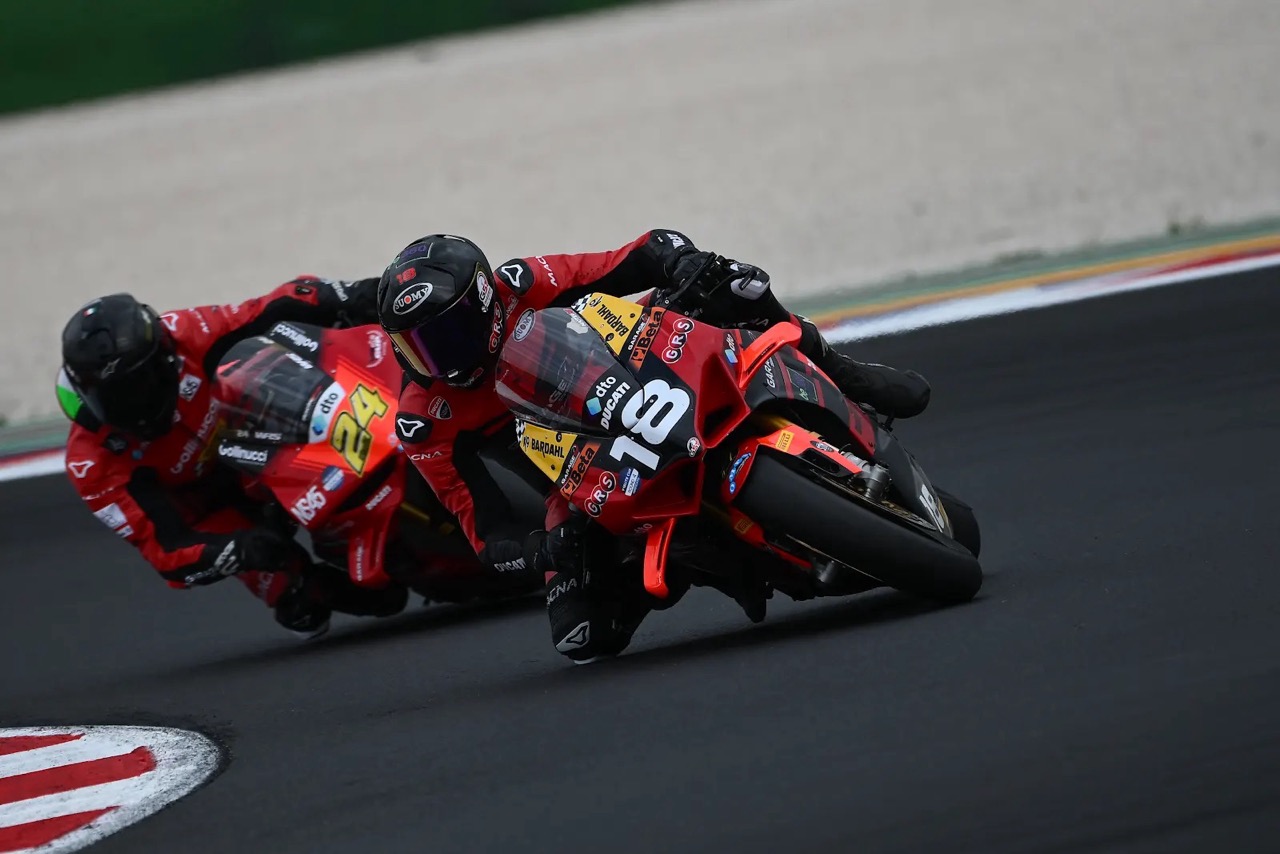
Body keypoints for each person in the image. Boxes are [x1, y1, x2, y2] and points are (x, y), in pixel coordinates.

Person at [377, 230, 931, 662]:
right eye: (414, 346)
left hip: (635, 370)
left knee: (733, 288)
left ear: (484, 301)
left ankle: (845, 374)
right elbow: (486, 533)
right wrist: (544, 551)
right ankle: (709, 558)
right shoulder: (423, 420)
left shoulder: (520, 283)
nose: (437, 359)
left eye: (445, 336)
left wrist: (682, 261)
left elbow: (634, 256)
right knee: (582, 634)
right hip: (577, 472)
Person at [57, 276, 408, 639]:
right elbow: (165, 548)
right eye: (117, 397)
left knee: (297, 347)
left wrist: (347, 295)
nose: (135, 403)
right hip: (205, 502)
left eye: (140, 384)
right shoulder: (92, 464)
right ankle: (303, 585)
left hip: (251, 434)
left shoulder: (185, 334)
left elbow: (268, 310)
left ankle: (387, 436)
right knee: (305, 601)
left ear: (163, 354)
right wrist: (236, 551)